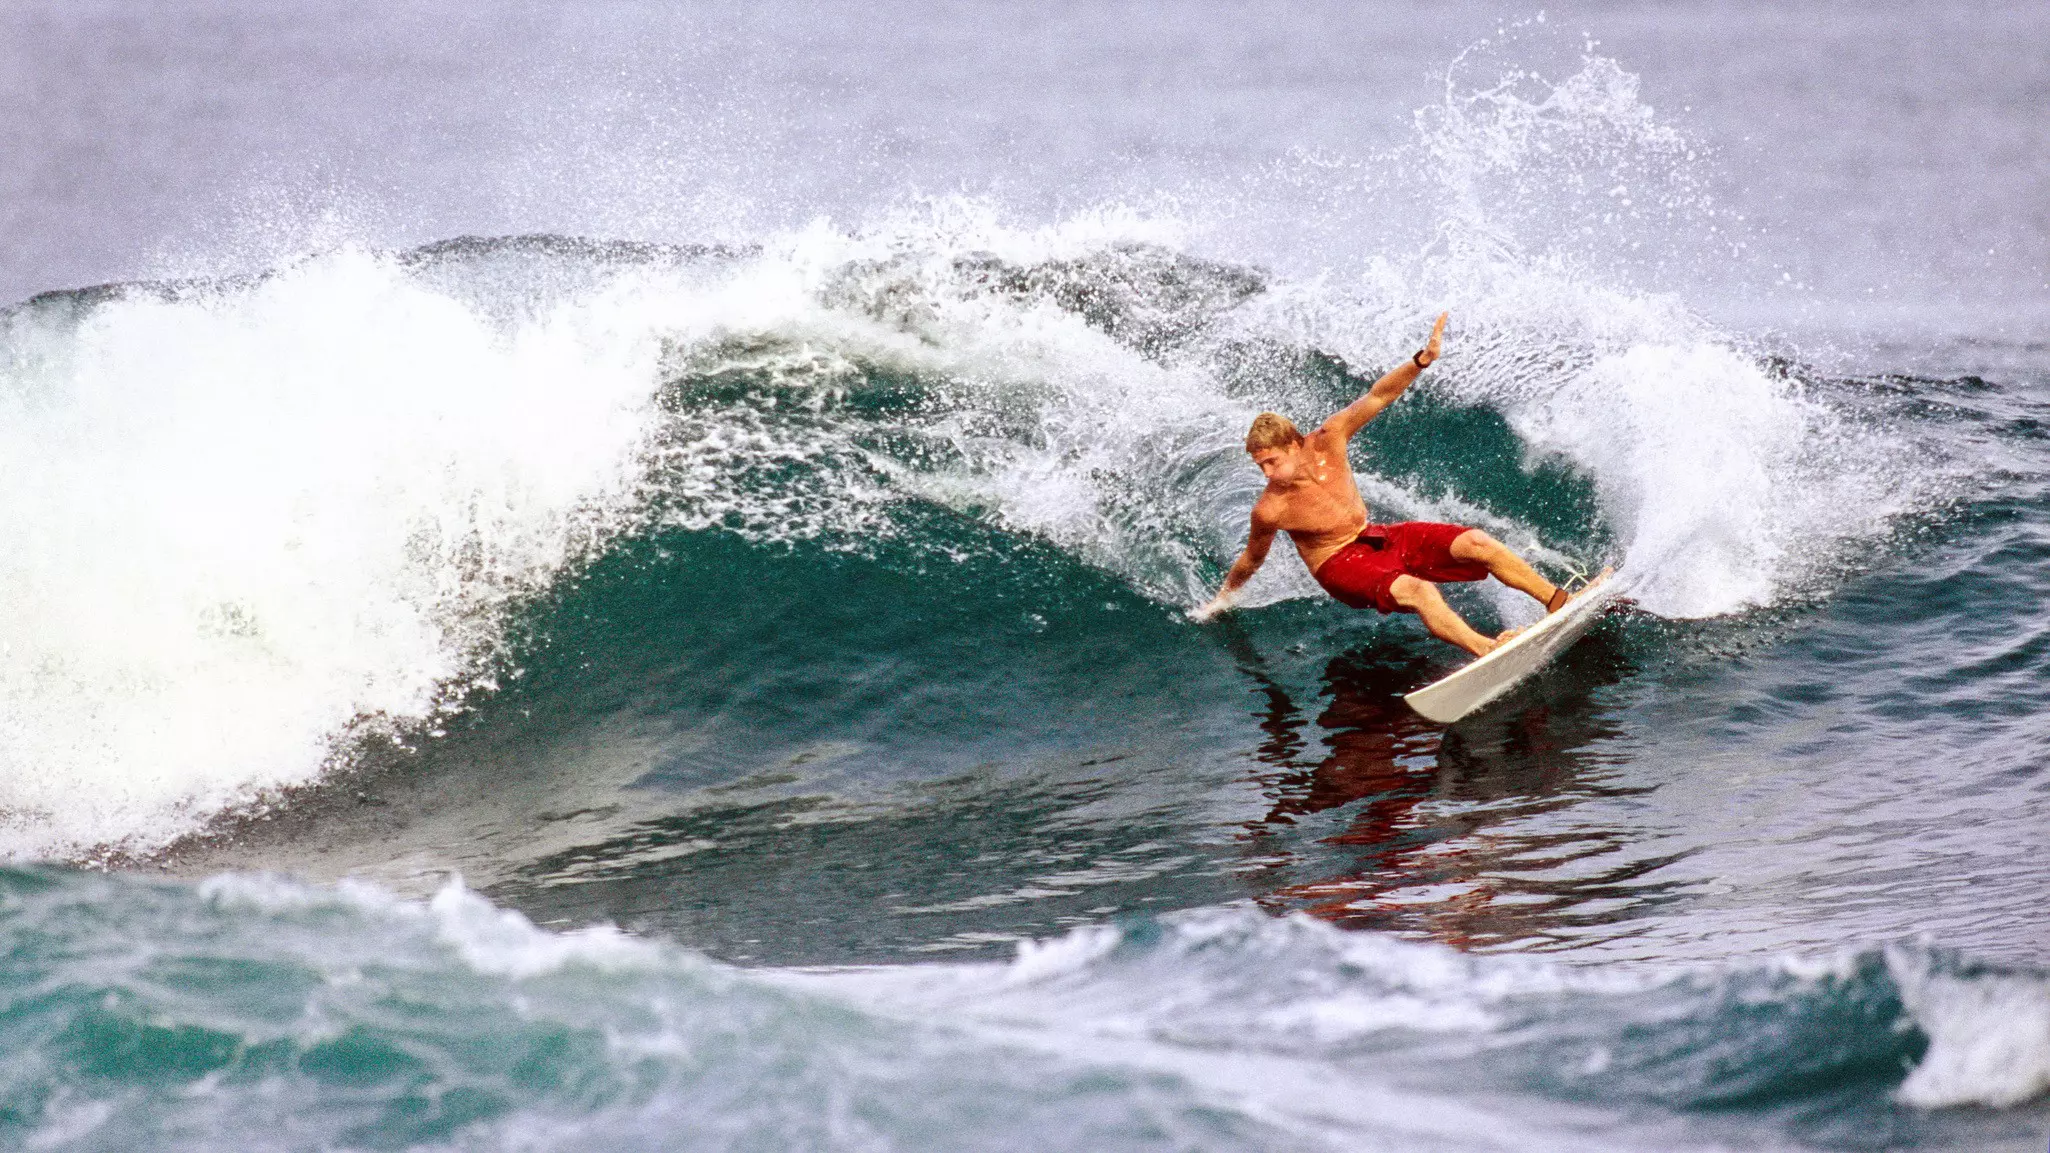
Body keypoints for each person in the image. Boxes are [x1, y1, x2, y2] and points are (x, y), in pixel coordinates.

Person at [1194, 312, 1570, 657]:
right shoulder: (1271, 508)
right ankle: (1487, 649)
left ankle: (1556, 600)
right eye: (1260, 466)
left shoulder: (1330, 437)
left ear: (1294, 444)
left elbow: (1379, 395)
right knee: (1419, 591)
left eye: (1271, 462)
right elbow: (1251, 560)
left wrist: (1421, 360)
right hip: (1337, 564)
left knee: (1477, 542)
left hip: (1376, 537)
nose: (1267, 473)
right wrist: (1221, 601)